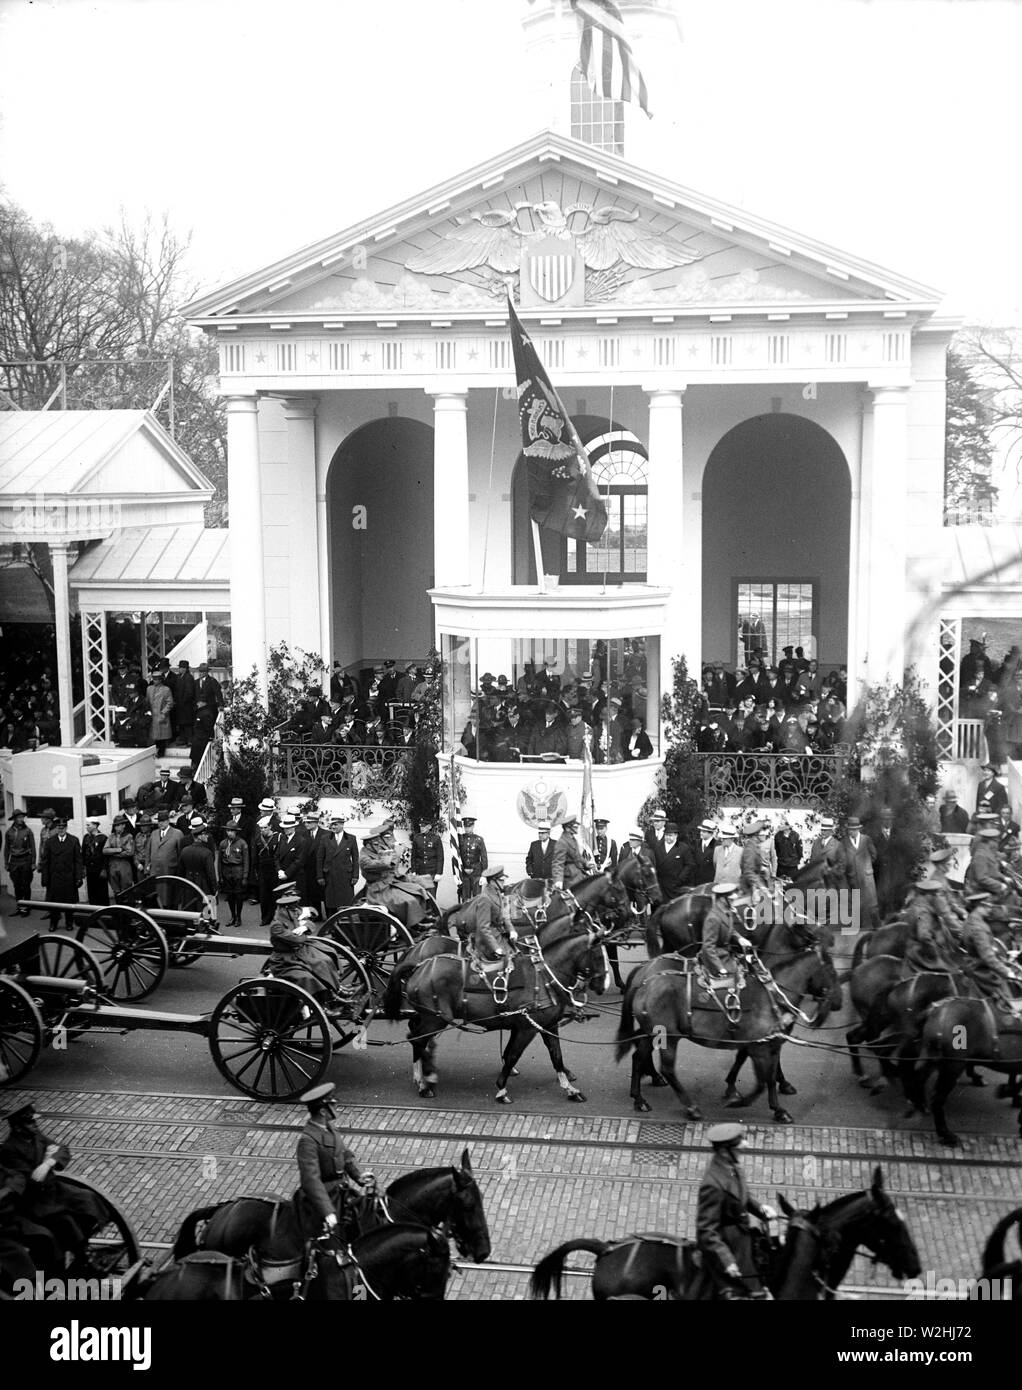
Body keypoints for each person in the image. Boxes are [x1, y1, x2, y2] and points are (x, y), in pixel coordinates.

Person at [0, 1104, 108, 1274]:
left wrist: (48, 1162)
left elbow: (62, 1149)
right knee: (65, 1220)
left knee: (89, 1199)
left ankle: (81, 1243)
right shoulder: (10, 1149)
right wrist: (45, 1160)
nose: (35, 1125)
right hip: (35, 1199)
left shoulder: (36, 1136)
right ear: (18, 1127)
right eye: (30, 1123)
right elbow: (31, 1180)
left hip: (54, 1189)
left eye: (34, 1122)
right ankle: (82, 1255)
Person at [695, 1122, 774, 1299]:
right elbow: (706, 1230)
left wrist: (760, 1209)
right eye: (740, 1144)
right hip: (728, 1245)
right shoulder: (712, 1184)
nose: (745, 1145)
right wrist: (727, 1260)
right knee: (752, 1293)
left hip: (743, 1235)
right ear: (724, 1151)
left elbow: (739, 1196)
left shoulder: (732, 1165)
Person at [294, 1082, 373, 1240]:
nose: (336, 1107)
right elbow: (311, 1180)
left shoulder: (329, 1127)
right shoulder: (308, 1140)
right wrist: (327, 1211)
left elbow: (345, 1154)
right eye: (333, 1104)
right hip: (323, 1200)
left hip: (341, 1193)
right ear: (323, 1110)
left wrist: (359, 1176)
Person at [267, 884, 341, 1003]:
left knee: (326, 958)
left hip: (297, 951)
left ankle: (335, 990)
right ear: (284, 908)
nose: (296, 911)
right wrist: (303, 931)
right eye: (293, 909)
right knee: (314, 970)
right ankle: (325, 1001)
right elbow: (297, 939)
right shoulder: (277, 924)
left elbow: (311, 918)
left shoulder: (290, 914)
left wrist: (304, 927)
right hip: (285, 959)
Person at [959, 893, 1022, 1019]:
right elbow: (987, 957)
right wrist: (1006, 972)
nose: (990, 910)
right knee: (1013, 992)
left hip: (974, 963)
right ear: (979, 907)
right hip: (982, 970)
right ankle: (1014, 1016)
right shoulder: (978, 928)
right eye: (987, 907)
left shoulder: (971, 920)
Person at [449, 864, 516, 982]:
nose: (503, 883)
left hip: (497, 934)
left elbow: (505, 916)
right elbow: (482, 928)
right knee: (505, 963)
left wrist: (511, 930)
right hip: (486, 941)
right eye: (501, 880)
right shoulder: (485, 898)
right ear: (492, 882)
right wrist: (496, 948)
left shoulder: (497, 894)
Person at [903, 879, 963, 975]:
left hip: (922, 946)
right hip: (921, 951)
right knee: (954, 972)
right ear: (927, 895)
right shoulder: (922, 912)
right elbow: (923, 936)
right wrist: (934, 952)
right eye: (934, 895)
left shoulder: (917, 903)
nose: (936, 897)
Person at [39, 817, 83, 930]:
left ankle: (69, 922)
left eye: (63, 827)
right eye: (59, 827)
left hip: (69, 877)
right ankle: (53, 923)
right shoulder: (50, 842)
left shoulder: (74, 840)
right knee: (54, 903)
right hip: (55, 877)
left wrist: (78, 877)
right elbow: (45, 861)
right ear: (56, 828)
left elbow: (78, 861)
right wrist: (45, 877)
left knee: (69, 902)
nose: (61, 829)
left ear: (66, 827)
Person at [843, 815, 879, 931]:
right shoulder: (844, 842)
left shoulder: (866, 839)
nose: (851, 832)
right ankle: (859, 932)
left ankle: (878, 929)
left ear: (858, 829)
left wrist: (866, 867)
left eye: (853, 830)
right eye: (849, 830)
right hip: (853, 879)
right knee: (857, 906)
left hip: (867, 879)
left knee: (872, 906)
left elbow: (874, 855)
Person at [318, 815, 360, 913]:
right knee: (331, 903)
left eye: (335, 825)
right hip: (330, 875)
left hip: (346, 876)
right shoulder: (325, 838)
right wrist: (320, 876)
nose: (333, 827)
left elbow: (355, 858)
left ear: (342, 825)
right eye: (332, 825)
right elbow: (319, 858)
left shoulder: (351, 838)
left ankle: (345, 926)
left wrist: (355, 876)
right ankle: (331, 926)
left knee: (345, 903)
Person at [148, 810, 184, 908]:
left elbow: (181, 853)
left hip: (170, 870)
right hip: (155, 870)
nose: (161, 823)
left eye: (163, 821)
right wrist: (147, 864)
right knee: (156, 897)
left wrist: (179, 869)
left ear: (168, 821)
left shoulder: (177, 834)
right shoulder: (154, 833)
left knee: (169, 897)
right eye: (159, 821)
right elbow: (149, 850)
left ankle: (170, 914)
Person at [4, 808, 36, 915]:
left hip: (25, 860)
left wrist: (33, 862)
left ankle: (26, 908)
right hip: (14, 861)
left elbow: (33, 847)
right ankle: (19, 907)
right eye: (18, 817)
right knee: (17, 885)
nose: (21, 819)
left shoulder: (28, 831)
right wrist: (6, 863)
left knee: (26, 885)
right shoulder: (9, 832)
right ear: (14, 819)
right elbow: (7, 849)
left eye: (22, 817)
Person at [218, 820, 249, 926]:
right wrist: (220, 876)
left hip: (238, 871)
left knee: (238, 896)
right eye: (228, 830)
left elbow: (246, 861)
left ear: (236, 832)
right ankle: (232, 916)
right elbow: (219, 862)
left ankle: (239, 917)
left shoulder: (242, 843)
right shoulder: (223, 843)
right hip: (226, 872)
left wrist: (245, 876)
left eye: (232, 831)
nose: (229, 833)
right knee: (230, 896)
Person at [551, 813, 593, 891]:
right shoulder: (562, 842)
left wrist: (586, 864)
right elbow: (557, 863)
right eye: (574, 826)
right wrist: (558, 880)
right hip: (570, 879)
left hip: (578, 874)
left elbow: (578, 856)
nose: (577, 827)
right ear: (567, 828)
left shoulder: (573, 839)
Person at [180, 818, 218, 900]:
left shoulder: (184, 849)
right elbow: (211, 872)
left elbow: (181, 868)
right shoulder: (206, 851)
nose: (206, 835)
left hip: (189, 882)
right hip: (203, 882)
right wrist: (214, 889)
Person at [656, 821, 694, 900]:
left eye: (670, 835)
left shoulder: (684, 848)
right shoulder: (658, 846)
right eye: (666, 835)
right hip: (661, 886)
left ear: (676, 835)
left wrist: (679, 879)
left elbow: (689, 865)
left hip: (676, 887)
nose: (668, 837)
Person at [102, 813, 136, 896]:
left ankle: (126, 907)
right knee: (116, 889)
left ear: (124, 825)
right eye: (115, 825)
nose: (116, 827)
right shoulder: (111, 836)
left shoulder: (128, 836)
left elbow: (129, 852)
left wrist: (112, 853)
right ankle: (118, 905)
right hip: (113, 864)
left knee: (126, 889)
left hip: (124, 864)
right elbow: (104, 850)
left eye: (119, 825)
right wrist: (118, 850)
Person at [409, 817, 444, 893]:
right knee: (420, 894)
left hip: (431, 872)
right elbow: (413, 856)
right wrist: (413, 871)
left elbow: (440, 857)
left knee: (431, 895)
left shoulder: (436, 839)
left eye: (424, 826)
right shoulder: (417, 838)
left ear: (429, 827)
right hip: (420, 871)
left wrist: (439, 873)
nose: (422, 828)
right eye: (421, 826)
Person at [457, 816, 488, 902]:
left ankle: (476, 915)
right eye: (466, 827)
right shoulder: (460, 839)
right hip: (464, 873)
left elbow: (484, 858)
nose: (467, 829)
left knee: (477, 898)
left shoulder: (479, 839)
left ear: (473, 826)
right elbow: (456, 856)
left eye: (469, 826)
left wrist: (484, 875)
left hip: (476, 873)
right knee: (465, 898)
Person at [81, 819, 109, 907]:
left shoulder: (103, 837)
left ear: (95, 826)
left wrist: (104, 869)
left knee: (102, 892)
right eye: (86, 825)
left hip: (100, 869)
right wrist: (83, 867)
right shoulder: (86, 837)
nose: (86, 827)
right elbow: (83, 853)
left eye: (88, 825)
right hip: (90, 869)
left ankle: (104, 912)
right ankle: (93, 911)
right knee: (91, 892)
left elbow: (106, 855)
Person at [146, 671, 174, 755]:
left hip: (161, 714)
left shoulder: (166, 689)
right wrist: (147, 711)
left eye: (157, 679)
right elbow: (147, 701)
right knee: (153, 734)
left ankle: (161, 752)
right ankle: (154, 751)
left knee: (162, 735)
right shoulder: (149, 689)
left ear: (161, 680)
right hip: (152, 714)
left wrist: (163, 712)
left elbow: (170, 703)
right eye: (154, 679)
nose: (155, 681)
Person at [774, 814, 802, 882]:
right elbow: (777, 850)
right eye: (780, 823)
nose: (780, 824)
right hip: (781, 866)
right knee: (779, 886)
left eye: (782, 823)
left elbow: (799, 851)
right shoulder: (777, 836)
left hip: (792, 867)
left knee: (793, 887)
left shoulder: (796, 835)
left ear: (788, 824)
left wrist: (793, 860)